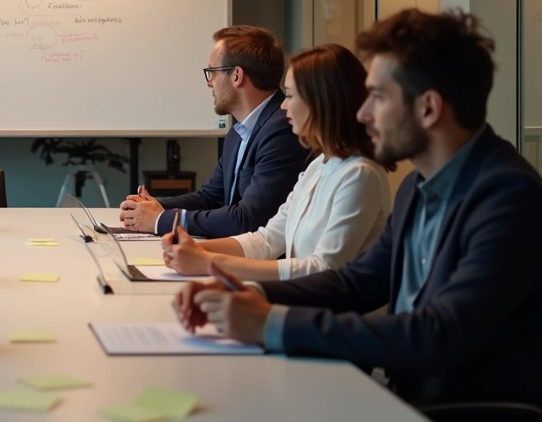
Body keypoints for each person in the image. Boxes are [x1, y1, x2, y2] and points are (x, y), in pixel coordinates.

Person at [175, 9, 542, 407]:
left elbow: (437, 334)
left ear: (429, 109)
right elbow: (355, 283)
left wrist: (269, 321)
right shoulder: (418, 187)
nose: (363, 113)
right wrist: (245, 294)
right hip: (405, 399)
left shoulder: (508, 195)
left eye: (378, 98)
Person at [162, 44, 391, 280]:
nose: (283, 104)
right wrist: (193, 249)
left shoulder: (360, 175)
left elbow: (323, 268)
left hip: (331, 313)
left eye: (290, 95)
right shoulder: (318, 166)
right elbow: (267, 240)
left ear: (321, 100)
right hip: (303, 303)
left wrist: (208, 262)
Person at [120, 25, 311, 237]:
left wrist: (161, 219)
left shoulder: (282, 129)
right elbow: (211, 197)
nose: (209, 83)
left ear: (237, 75)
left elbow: (248, 219)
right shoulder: (240, 130)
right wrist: (153, 207)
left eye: (212, 72)